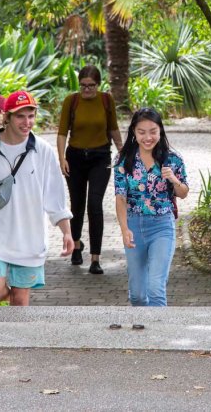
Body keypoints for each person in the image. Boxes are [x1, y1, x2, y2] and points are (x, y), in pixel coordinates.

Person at [0, 91, 74, 306]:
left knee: (20, 298)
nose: (27, 122)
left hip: (29, 238)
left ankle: (18, 339)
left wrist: (66, 232)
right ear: (6, 117)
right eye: (20, 116)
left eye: (31, 116)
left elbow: (55, 196)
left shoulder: (42, 151)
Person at [114, 108, 188, 306]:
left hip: (162, 225)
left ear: (160, 131)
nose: (148, 137)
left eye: (153, 131)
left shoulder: (173, 159)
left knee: (156, 289)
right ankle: (143, 331)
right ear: (133, 133)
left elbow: (183, 193)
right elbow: (120, 197)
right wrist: (124, 229)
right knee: (137, 295)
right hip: (134, 225)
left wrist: (173, 179)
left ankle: (157, 335)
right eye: (142, 132)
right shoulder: (123, 160)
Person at [57, 66, 123, 275]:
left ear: (98, 84)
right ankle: (76, 245)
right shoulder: (71, 101)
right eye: (83, 86)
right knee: (77, 204)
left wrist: (123, 152)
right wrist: (61, 159)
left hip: (100, 156)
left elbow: (113, 128)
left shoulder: (106, 100)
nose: (87, 90)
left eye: (91, 86)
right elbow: (61, 133)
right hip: (75, 157)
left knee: (95, 204)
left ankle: (95, 258)